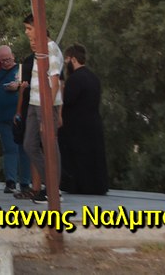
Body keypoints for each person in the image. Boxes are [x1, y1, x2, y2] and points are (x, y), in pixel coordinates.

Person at [20, 13, 63, 205]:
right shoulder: (40, 50)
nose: (26, 32)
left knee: (50, 147)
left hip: (45, 106)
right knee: (29, 144)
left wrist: (48, 113)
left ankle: (53, 188)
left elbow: (55, 83)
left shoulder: (51, 50)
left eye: (29, 28)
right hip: (33, 103)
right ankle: (51, 183)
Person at [59, 43, 108, 195]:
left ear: (73, 60)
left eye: (67, 60)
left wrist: (61, 90)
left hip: (77, 126)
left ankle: (77, 186)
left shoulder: (75, 79)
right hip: (93, 122)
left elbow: (67, 100)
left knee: (78, 158)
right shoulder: (93, 78)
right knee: (94, 158)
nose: (66, 64)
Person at [0, 45, 31, 194]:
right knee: (9, 149)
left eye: (8, 59)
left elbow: (29, 87)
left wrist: (19, 86)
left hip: (20, 114)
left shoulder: (21, 70)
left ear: (13, 56)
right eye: (2, 60)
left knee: (24, 149)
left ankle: (25, 182)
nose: (6, 62)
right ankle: (10, 181)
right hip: (3, 115)